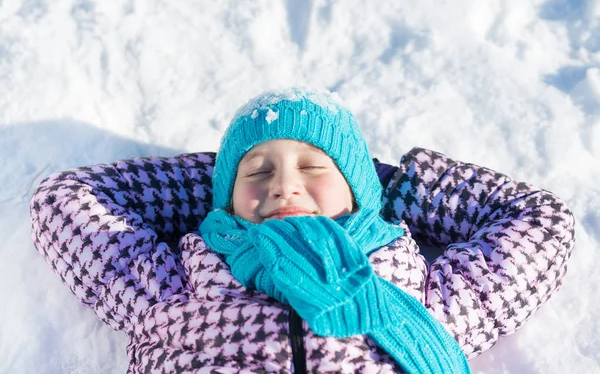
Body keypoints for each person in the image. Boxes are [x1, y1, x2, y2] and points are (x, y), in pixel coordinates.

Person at [29, 88, 575, 373]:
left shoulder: (420, 294)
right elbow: (66, 203)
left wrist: (394, 184)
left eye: (314, 169)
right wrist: (217, 184)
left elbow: (540, 222)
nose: (284, 187)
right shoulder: (177, 288)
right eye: (259, 171)